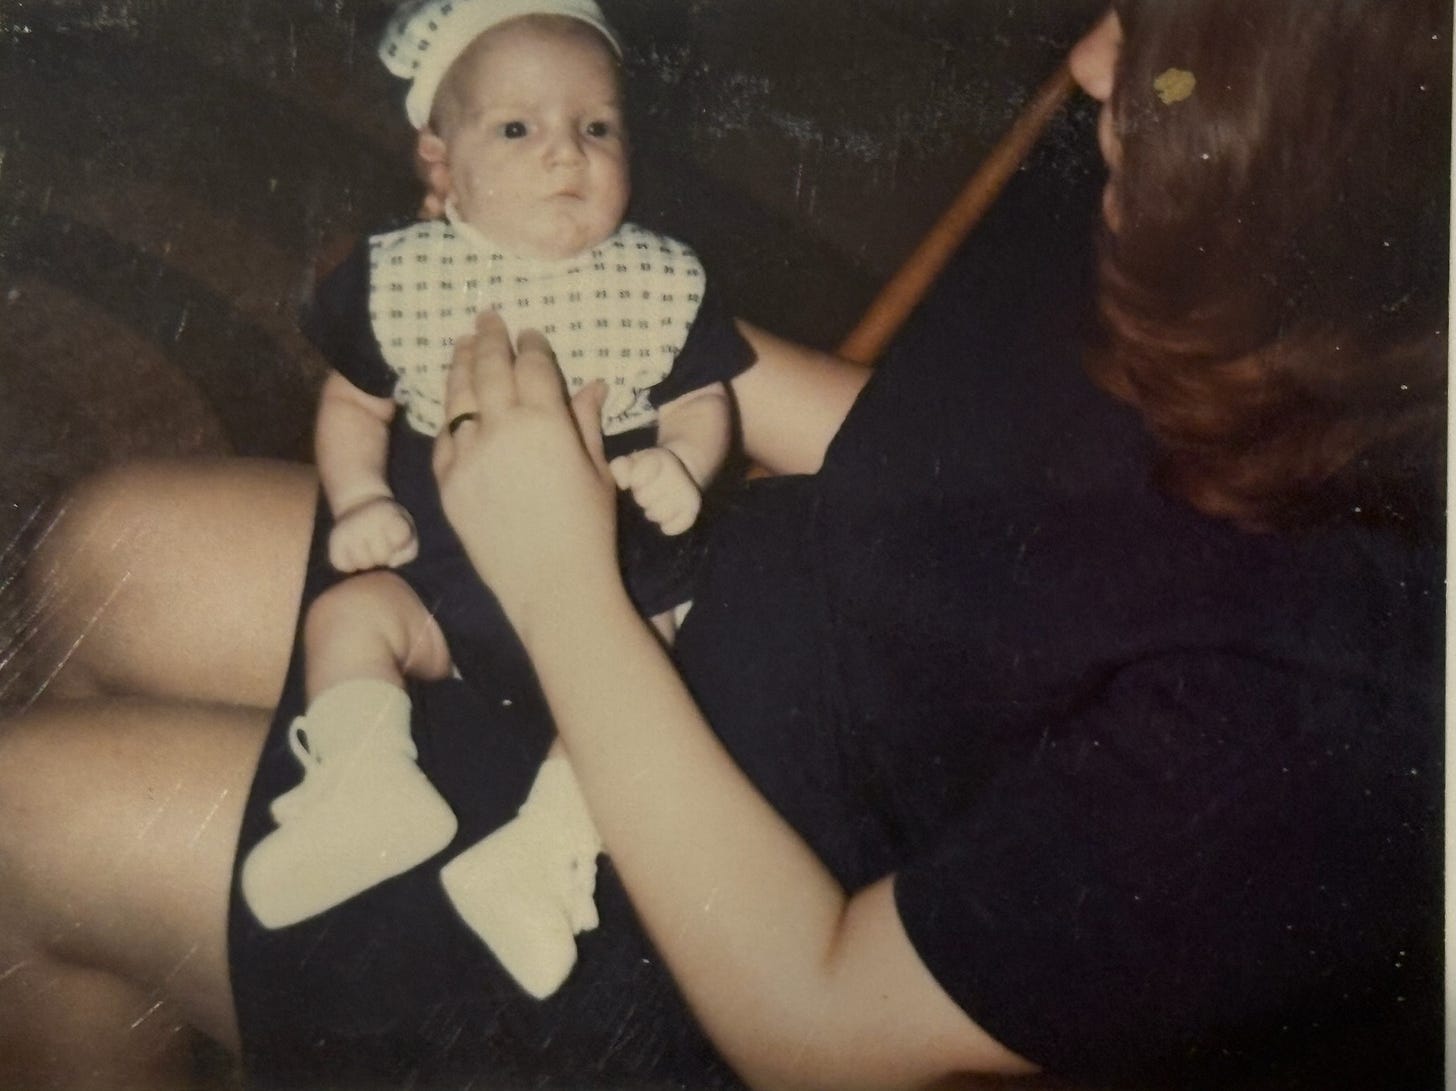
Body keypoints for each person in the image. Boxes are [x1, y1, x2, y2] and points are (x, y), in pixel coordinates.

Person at [0, 2, 1445, 1089]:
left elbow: (820, 1017)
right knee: (103, 550)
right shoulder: (1233, 258)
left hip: (695, 934)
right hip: (704, 610)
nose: (1086, 61)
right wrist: (584, 302)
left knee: (17, 832)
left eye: (1183, 53)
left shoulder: (1342, 710)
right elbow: (955, 452)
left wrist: (564, 585)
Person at [237, 0, 754, 1001]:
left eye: (596, 127)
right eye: (517, 129)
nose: (567, 154)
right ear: (439, 161)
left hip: (616, 591)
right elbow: (351, 402)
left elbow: (705, 399)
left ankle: (538, 860)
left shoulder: (660, 281)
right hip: (443, 575)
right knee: (347, 615)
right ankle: (363, 784)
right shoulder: (400, 278)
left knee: (643, 700)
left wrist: (682, 464)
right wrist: (354, 499)